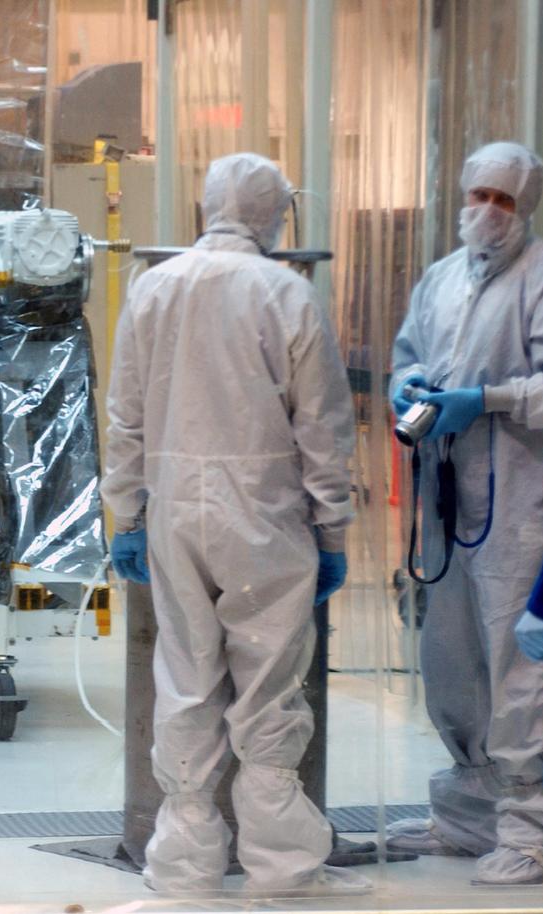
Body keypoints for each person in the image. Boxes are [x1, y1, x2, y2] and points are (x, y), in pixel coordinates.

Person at [102, 152, 360, 894]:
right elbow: (322, 429)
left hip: (174, 508)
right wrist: (332, 528)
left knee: (185, 675)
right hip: (265, 512)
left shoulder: (155, 287)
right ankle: (282, 866)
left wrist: (127, 514)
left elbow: (126, 417)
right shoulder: (286, 293)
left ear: (208, 205)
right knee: (270, 682)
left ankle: (183, 865)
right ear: (273, 213)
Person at [388, 141, 543, 885]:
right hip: (446, 494)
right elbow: (406, 354)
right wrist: (409, 384)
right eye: (479, 194)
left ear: (528, 208)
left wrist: (487, 400)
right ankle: (466, 815)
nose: (488, 210)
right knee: (450, 659)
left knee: (515, 665)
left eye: (505, 200)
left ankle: (535, 830)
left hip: (519, 498)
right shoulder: (440, 279)